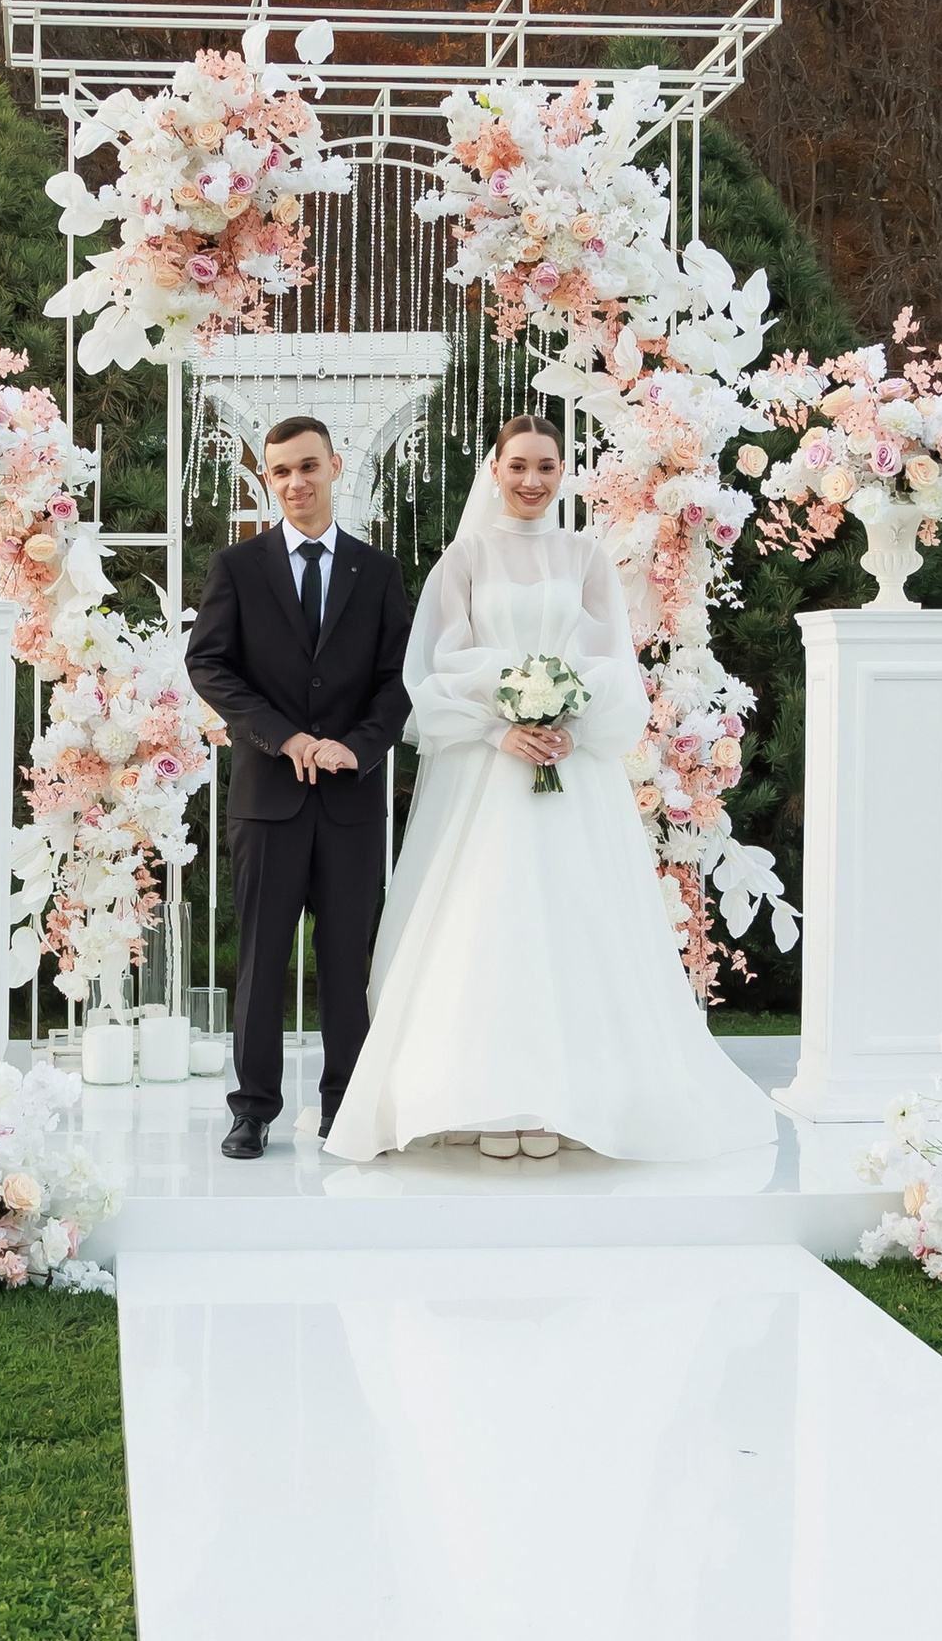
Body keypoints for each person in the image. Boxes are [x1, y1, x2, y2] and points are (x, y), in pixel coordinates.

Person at [324, 412, 778, 1166]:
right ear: (494, 470)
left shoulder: (585, 557)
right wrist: (500, 724)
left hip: (570, 767)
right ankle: (476, 1096)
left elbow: (610, 660)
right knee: (486, 923)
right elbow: (434, 666)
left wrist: (572, 716)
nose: (532, 480)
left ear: (563, 472)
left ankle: (569, 1098)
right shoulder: (464, 559)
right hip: (485, 768)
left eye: (546, 466)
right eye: (518, 466)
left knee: (571, 922)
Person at [184, 416, 413, 1158]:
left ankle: (344, 1104)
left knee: (349, 961)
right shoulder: (238, 568)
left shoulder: (377, 573)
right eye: (280, 472)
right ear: (268, 479)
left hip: (349, 804)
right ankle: (252, 1108)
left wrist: (355, 747)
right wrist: (287, 736)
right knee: (261, 959)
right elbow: (210, 666)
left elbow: (396, 680)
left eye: (307, 466)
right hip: (268, 799)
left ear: (334, 466)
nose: (295, 482)